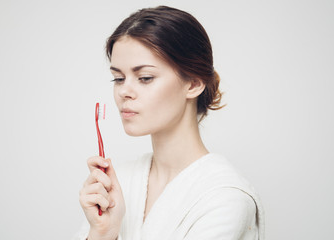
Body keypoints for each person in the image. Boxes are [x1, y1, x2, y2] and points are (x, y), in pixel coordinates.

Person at [74, 5, 264, 240]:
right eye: (118, 78)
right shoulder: (117, 183)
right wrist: (103, 232)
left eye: (145, 78)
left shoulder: (225, 198)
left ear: (193, 83)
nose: (125, 91)